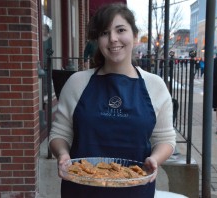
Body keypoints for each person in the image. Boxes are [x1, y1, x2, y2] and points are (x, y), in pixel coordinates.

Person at [49, 3, 176, 198]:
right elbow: (59, 133)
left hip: (136, 191)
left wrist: (155, 159)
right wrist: (62, 154)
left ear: (134, 35)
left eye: (121, 30)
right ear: (98, 41)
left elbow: (165, 139)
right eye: (104, 33)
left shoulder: (155, 86)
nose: (113, 39)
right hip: (81, 190)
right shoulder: (77, 82)